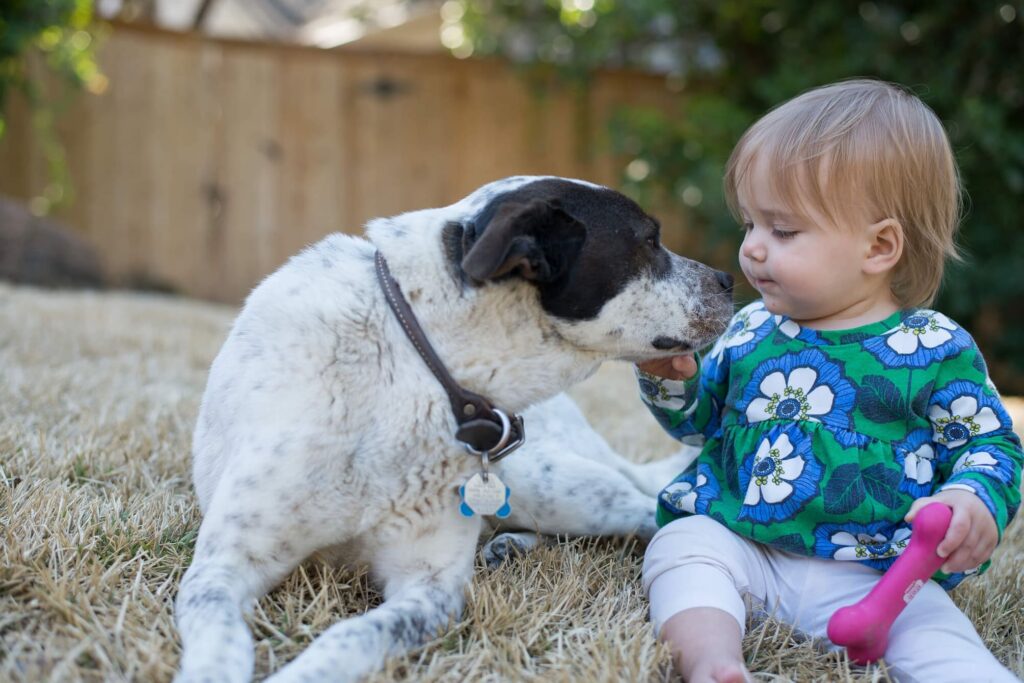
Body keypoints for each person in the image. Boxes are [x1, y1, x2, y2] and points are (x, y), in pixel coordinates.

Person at [637, 79, 1023, 683]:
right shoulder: (749, 330)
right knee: (681, 548)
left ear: (880, 246)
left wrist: (972, 499)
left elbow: (989, 445)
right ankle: (714, 663)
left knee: (944, 644)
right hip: (743, 544)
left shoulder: (933, 347)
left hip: (877, 576)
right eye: (750, 225)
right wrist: (669, 379)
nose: (753, 250)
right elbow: (698, 423)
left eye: (782, 231)